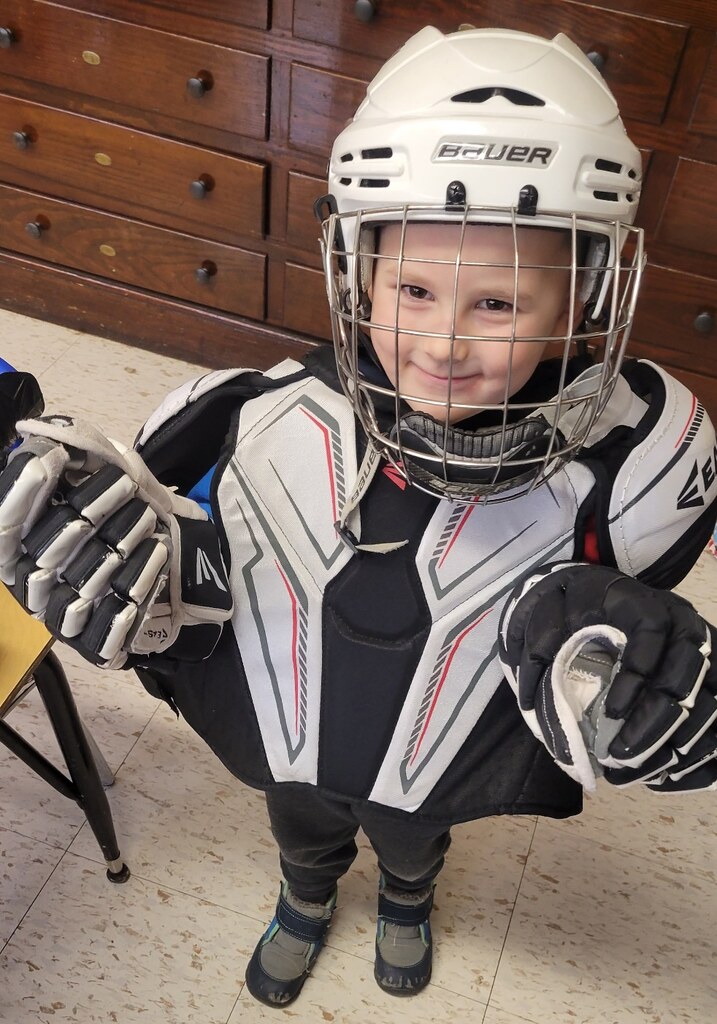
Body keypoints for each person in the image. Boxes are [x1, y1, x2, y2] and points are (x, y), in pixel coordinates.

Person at [1, 25, 717, 1007]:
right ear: (358, 268)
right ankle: (304, 898)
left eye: (500, 302)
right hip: (293, 756)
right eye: (413, 289)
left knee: (415, 836)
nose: (443, 342)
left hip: (447, 767)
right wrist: (126, 581)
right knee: (301, 827)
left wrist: (658, 686)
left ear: (585, 294)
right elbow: (179, 573)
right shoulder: (250, 417)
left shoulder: (638, 463)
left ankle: (408, 900)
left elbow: (628, 647)